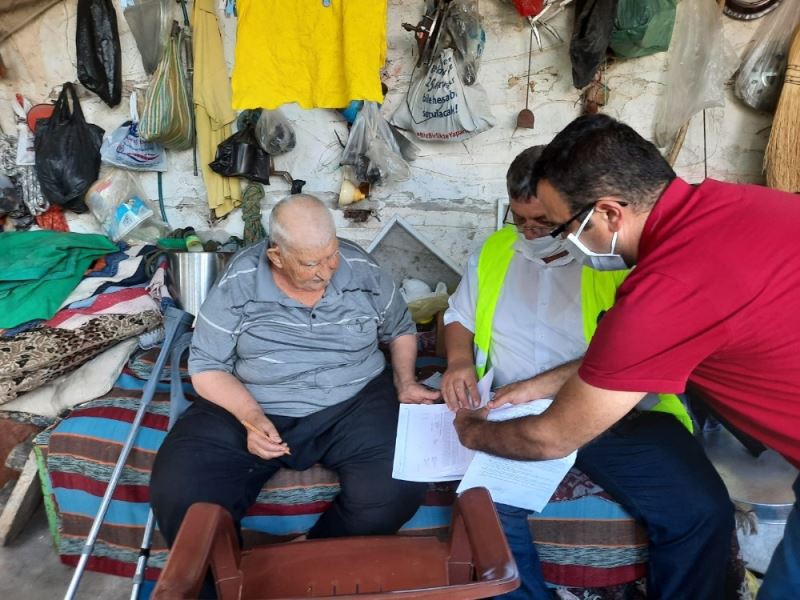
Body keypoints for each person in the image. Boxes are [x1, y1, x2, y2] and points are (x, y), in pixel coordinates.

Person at [454, 114, 800, 599]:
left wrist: (471, 431)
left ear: (609, 213)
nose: (560, 241)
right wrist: (531, 387)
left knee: (705, 517)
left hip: (601, 418)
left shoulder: (665, 287)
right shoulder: (741, 203)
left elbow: (551, 437)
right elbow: (635, 353)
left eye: (563, 227)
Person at [151, 194, 439, 555]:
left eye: (332, 254)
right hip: (257, 397)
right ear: (276, 256)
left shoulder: (360, 267)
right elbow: (207, 365)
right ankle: (224, 578)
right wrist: (250, 417)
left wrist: (405, 381)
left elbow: (399, 328)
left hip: (353, 398)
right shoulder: (240, 280)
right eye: (311, 263)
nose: (327, 271)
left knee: (399, 484)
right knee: (181, 489)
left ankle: (309, 557)